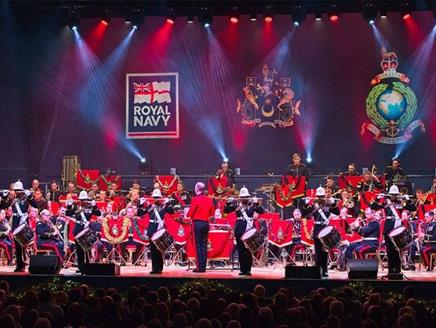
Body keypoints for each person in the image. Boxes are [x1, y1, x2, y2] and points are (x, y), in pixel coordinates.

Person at [224, 187, 264, 276]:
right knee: (241, 251)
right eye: (242, 196)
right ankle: (242, 269)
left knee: (248, 251)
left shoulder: (252, 204)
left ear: (248, 196)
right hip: (239, 230)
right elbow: (226, 211)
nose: (243, 198)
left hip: (249, 230)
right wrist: (227, 203)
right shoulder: (237, 204)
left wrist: (257, 203)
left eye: (245, 196)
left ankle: (248, 270)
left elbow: (261, 211)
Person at [303, 187, 339, 278]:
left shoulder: (328, 205)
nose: (320, 198)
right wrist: (306, 204)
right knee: (318, 253)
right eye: (318, 196)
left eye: (321, 196)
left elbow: (337, 212)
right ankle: (318, 270)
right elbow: (304, 214)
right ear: (316, 197)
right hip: (317, 230)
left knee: (325, 252)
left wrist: (333, 203)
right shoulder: (313, 205)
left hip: (325, 231)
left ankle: (325, 271)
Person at [65, 190, 101, 273]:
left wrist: (95, 206)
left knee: (87, 249)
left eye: (84, 199)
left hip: (87, 229)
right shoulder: (76, 207)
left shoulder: (90, 207)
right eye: (81, 199)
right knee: (79, 249)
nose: (83, 201)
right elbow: (68, 213)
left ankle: (88, 266)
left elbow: (98, 214)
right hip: (78, 229)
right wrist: (69, 206)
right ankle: (80, 267)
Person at [186, 182, 215, 273]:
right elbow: (212, 213)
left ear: (197, 189)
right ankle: (203, 267)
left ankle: (199, 267)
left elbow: (190, 213)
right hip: (206, 223)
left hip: (197, 223)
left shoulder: (195, 199)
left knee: (198, 246)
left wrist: (188, 214)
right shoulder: (209, 199)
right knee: (204, 245)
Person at [146, 189, 175, 274]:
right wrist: (140, 203)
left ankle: (159, 268)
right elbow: (141, 212)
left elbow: (172, 211)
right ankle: (154, 268)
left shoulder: (164, 206)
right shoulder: (150, 206)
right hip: (152, 229)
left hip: (159, 229)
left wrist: (169, 203)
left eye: (158, 197)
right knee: (153, 250)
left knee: (159, 249)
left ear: (160, 197)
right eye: (155, 197)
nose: (156, 199)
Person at [10, 180, 31, 272]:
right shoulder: (14, 200)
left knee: (23, 246)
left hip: (23, 225)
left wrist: (30, 197)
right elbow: (6, 206)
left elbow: (34, 205)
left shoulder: (26, 199)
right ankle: (19, 265)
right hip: (16, 226)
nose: (16, 192)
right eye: (15, 190)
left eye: (17, 190)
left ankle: (23, 263)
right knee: (17, 246)